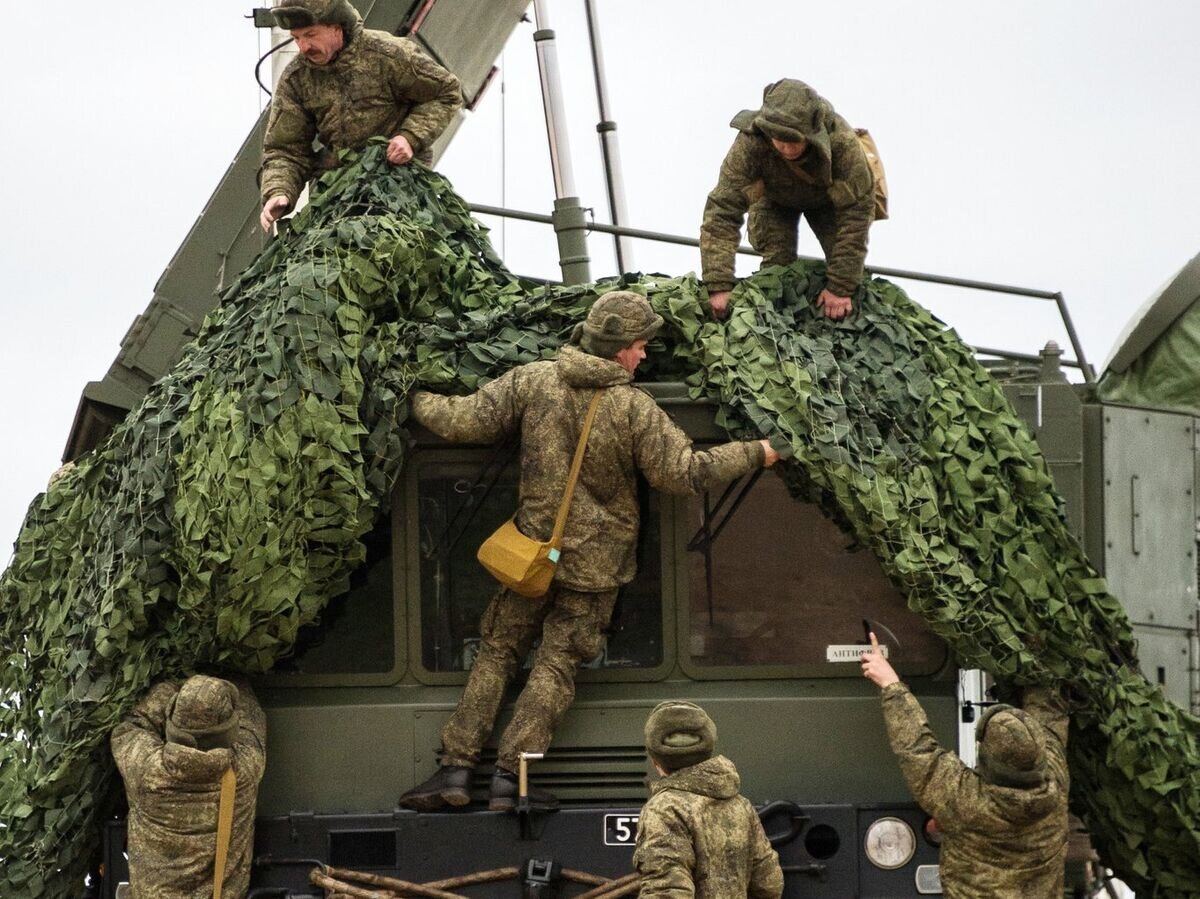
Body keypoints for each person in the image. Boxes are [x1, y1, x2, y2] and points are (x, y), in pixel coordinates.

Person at [399, 291, 781, 812]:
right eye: (640, 346)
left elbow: (464, 421)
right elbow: (685, 474)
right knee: (556, 667)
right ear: (618, 348)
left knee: (496, 652)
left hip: (531, 557)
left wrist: (409, 394)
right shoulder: (633, 409)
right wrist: (757, 452)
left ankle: (457, 771)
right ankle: (513, 783)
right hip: (595, 572)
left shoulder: (533, 381)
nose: (643, 356)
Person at [860, 633, 1070, 898]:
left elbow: (916, 748)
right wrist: (1040, 640)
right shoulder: (1055, 780)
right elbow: (1049, 709)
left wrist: (889, 683)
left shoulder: (967, 801)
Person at [259, 0, 463, 232]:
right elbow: (286, 149)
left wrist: (410, 137)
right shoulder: (297, 78)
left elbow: (446, 92)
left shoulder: (387, 54)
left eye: (311, 34)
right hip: (337, 196)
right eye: (296, 38)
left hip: (400, 189)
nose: (304, 46)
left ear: (337, 27)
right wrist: (279, 191)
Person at [700, 78, 877, 321]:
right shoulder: (751, 143)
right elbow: (722, 209)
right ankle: (776, 325)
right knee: (778, 272)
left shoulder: (842, 144)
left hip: (829, 202)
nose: (785, 147)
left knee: (852, 280)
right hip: (774, 201)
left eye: (793, 139)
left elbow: (856, 214)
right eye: (777, 137)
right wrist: (718, 284)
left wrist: (840, 288)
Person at [111, 675, 267, 899]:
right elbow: (251, 715)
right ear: (230, 733)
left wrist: (176, 683)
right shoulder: (246, 768)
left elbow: (132, 725)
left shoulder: (146, 770)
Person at [632, 701, 784, 899]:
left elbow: (666, 891)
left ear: (656, 762)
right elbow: (769, 884)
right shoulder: (740, 805)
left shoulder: (664, 808)